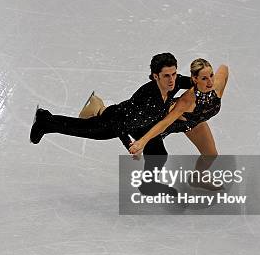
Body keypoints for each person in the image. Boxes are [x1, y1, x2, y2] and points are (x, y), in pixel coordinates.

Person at [29, 53, 191, 153]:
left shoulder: (175, 82)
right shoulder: (146, 97)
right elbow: (120, 123)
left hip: (142, 125)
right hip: (115, 120)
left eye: (174, 74)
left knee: (158, 154)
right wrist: (129, 144)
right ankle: (45, 120)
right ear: (156, 76)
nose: (172, 79)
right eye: (167, 76)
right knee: (81, 129)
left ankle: (150, 185)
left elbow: (194, 82)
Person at [127, 59, 228, 190]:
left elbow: (224, 69)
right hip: (169, 121)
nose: (210, 82)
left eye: (211, 75)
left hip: (194, 122)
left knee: (211, 155)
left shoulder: (217, 86)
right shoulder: (187, 100)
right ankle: (99, 110)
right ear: (195, 79)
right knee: (155, 152)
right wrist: (142, 142)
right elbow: (165, 123)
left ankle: (197, 178)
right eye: (204, 78)